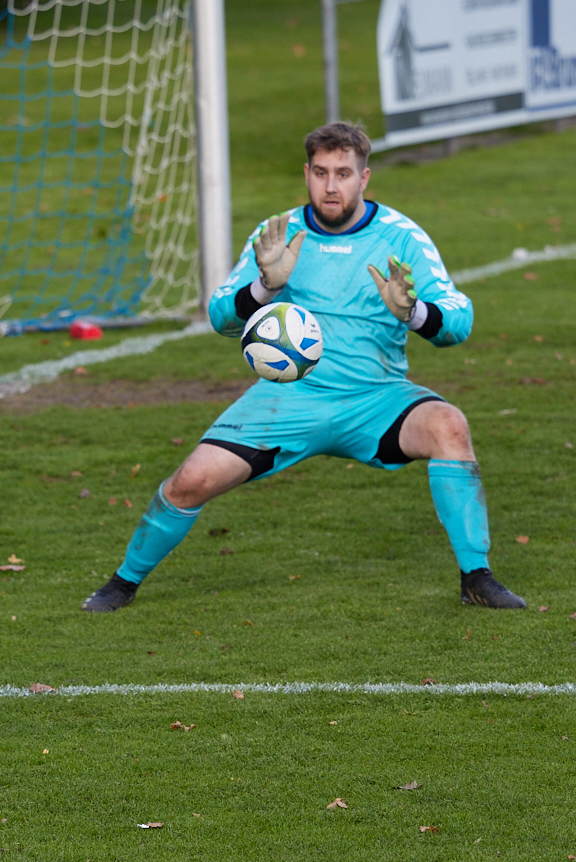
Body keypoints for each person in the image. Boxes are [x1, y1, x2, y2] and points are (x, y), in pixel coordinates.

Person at [81, 121, 526, 613]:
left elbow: (458, 323)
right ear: (307, 173)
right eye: (320, 172)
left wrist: (413, 312)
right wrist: (266, 286)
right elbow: (221, 317)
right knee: (190, 480)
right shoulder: (279, 234)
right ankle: (122, 582)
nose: (331, 186)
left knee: (449, 425)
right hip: (288, 397)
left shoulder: (402, 238)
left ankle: (476, 578)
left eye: (343, 174)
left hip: (376, 398)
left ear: (364, 178)